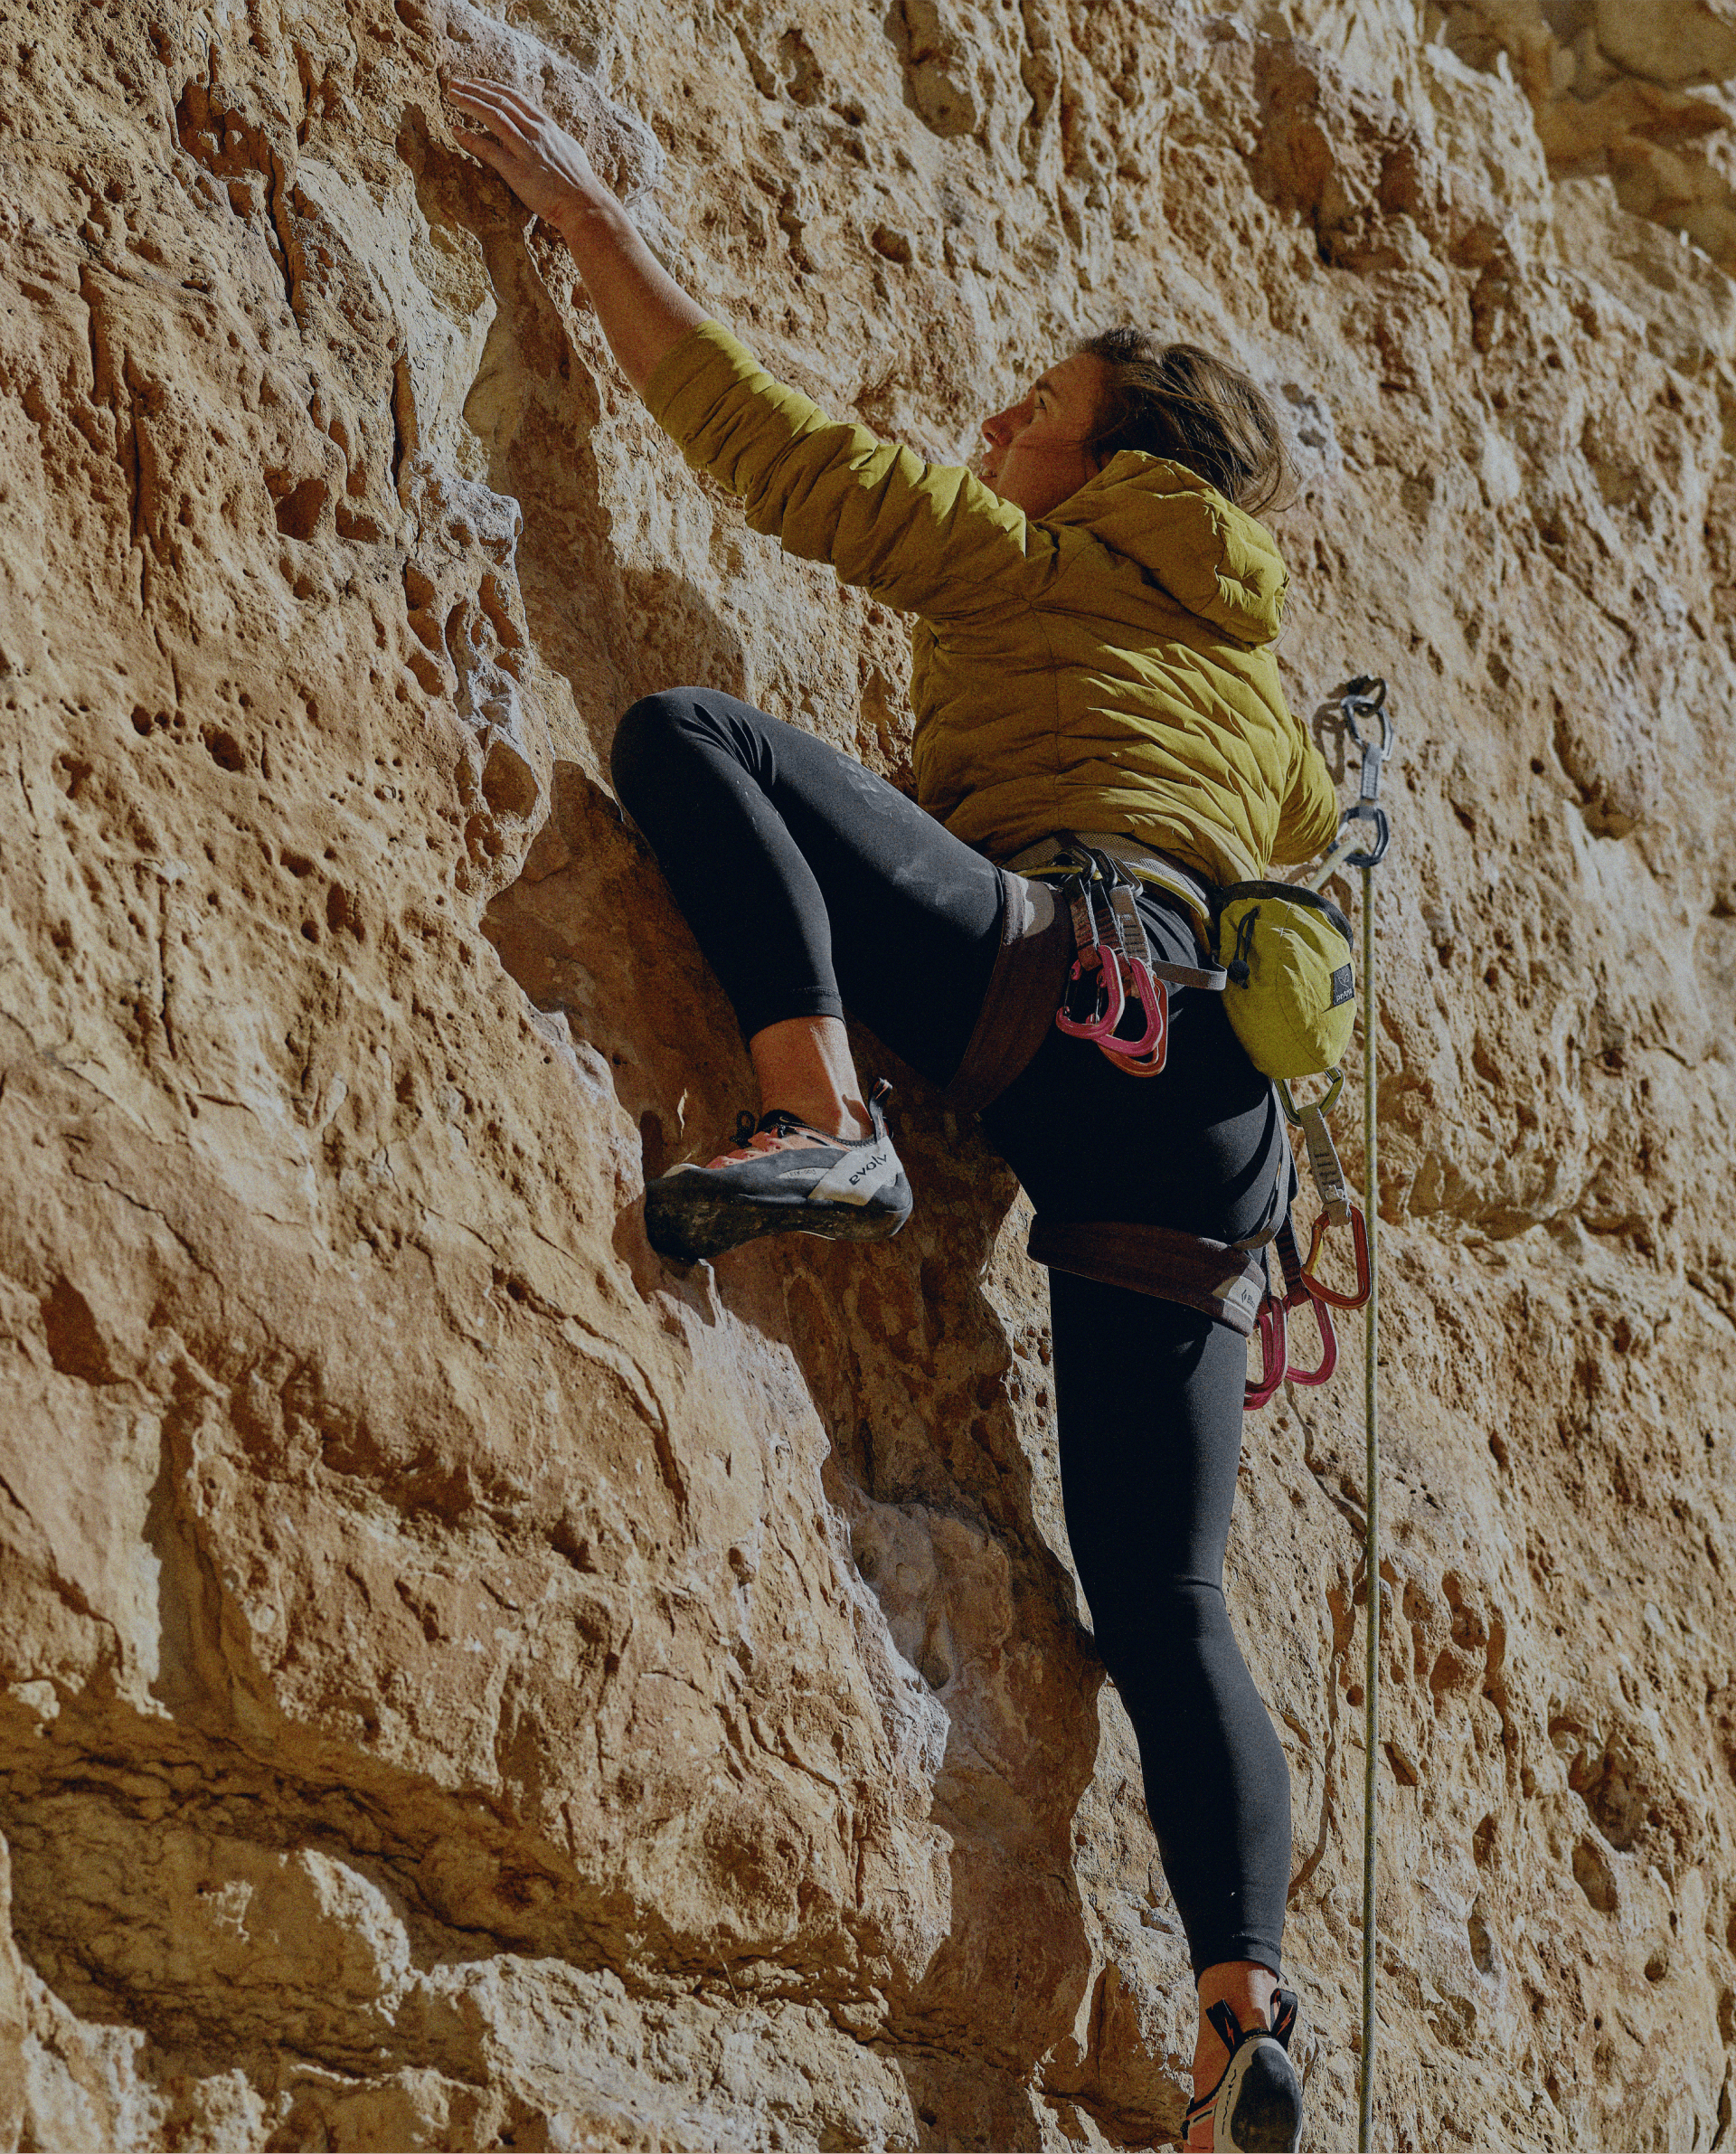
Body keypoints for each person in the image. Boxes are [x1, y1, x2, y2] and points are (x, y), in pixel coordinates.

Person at [451, 76, 1339, 2154]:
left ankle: (812, 1107)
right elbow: (1303, 905)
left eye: (1029, 409)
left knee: (691, 735)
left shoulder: (1029, 556)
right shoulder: (1270, 712)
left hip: (1059, 976)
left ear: (1111, 459)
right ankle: (1242, 2019)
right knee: (1172, 1598)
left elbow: (778, 449)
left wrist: (585, 220)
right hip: (1217, 1142)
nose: (991, 432)